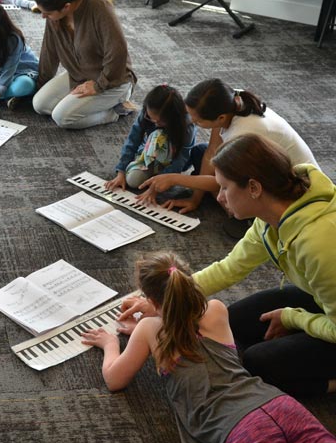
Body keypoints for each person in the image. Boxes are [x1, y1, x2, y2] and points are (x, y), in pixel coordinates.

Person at [83, 252, 336, 443]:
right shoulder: (216, 309)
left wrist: (110, 343)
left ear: (150, 300)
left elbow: (115, 379)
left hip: (239, 428)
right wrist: (158, 312)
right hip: (279, 404)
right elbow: (183, 316)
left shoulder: (148, 329)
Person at [121, 134, 336, 397]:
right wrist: (165, 301)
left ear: (254, 188)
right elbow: (230, 268)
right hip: (324, 295)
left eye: (225, 188)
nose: (220, 197)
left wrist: (293, 317)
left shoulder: (319, 242)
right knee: (234, 321)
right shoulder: (272, 214)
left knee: (259, 364)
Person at [139, 78, 318, 214]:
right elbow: (211, 153)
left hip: (297, 191)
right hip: (267, 167)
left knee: (230, 196)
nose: (192, 123)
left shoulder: (242, 134)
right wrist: (195, 199)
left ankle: (255, 217)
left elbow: (223, 181)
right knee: (202, 152)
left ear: (221, 118)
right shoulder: (231, 100)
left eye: (198, 121)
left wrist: (174, 179)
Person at [32, 0, 137, 130]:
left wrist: (98, 86)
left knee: (62, 118)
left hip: (113, 79)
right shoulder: (55, 13)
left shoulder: (98, 4)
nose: (43, 16)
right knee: (39, 105)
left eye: (47, 13)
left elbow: (117, 50)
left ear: (66, 7)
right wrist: (40, 84)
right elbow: (49, 51)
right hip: (78, 75)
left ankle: (115, 111)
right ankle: (86, 104)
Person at [104, 85, 196, 201]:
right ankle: (151, 169)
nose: (155, 123)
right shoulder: (146, 114)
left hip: (173, 159)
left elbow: (181, 159)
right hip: (149, 152)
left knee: (159, 136)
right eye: (152, 119)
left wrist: (155, 187)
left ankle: (158, 173)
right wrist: (121, 171)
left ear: (174, 117)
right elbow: (133, 139)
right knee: (133, 180)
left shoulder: (187, 125)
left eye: (161, 121)